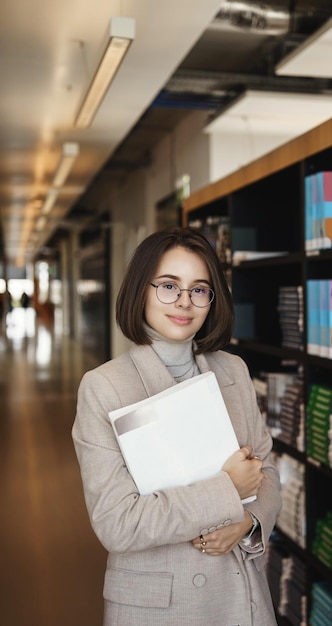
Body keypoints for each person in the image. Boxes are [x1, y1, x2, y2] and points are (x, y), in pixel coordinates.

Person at [72, 226, 281, 626]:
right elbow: (118, 523)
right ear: (141, 290)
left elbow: (267, 472)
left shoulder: (233, 370)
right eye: (169, 286)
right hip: (162, 605)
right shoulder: (105, 387)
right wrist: (227, 491)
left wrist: (247, 523)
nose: (184, 302)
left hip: (240, 593)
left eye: (199, 289)